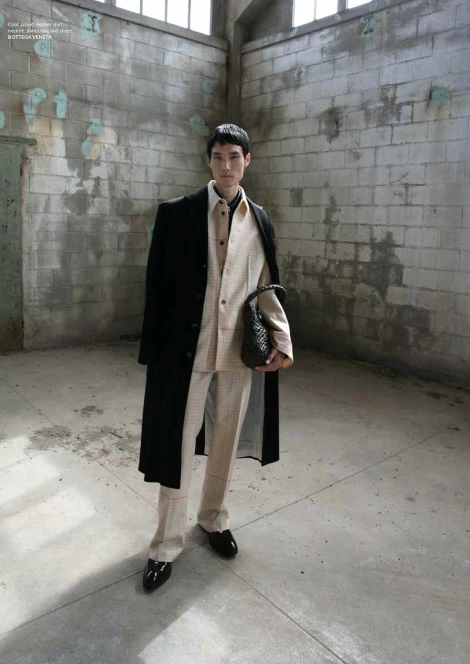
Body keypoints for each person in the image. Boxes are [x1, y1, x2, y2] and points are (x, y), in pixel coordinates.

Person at [138, 123, 293, 592]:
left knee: (226, 440)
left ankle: (213, 518)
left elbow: (265, 286)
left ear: (248, 160)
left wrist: (282, 340)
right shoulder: (177, 213)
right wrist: (154, 352)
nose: (226, 166)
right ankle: (166, 544)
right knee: (177, 446)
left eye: (234, 157)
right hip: (187, 352)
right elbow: (156, 287)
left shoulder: (259, 219)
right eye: (219, 157)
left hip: (237, 352)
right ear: (208, 161)